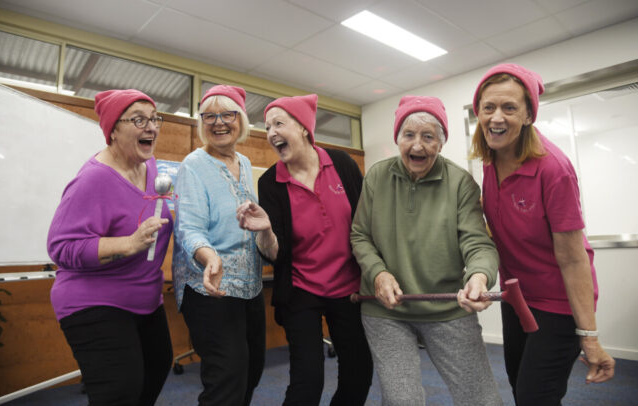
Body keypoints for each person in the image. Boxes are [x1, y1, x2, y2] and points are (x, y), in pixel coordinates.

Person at [470, 63, 615, 405]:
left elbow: (573, 257)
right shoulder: (490, 161)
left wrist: (589, 336)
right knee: (521, 389)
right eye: (488, 107)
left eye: (509, 108)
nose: (496, 117)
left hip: (557, 303)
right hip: (516, 297)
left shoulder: (553, 169)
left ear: (529, 115)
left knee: (536, 397)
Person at [350, 95, 503, 406]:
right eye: (409, 135)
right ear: (398, 138)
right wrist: (378, 274)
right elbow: (360, 235)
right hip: (386, 310)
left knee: (483, 399)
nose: (417, 146)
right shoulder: (377, 177)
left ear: (441, 143)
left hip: (446, 307)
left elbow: (478, 242)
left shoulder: (461, 183)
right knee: (402, 400)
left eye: (428, 137)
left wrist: (479, 276)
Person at [235, 94, 373, 406]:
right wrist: (267, 230)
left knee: (359, 372)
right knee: (308, 381)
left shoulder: (342, 165)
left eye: (279, 124)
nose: (271, 132)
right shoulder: (271, 182)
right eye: (267, 126)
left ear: (303, 129)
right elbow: (274, 253)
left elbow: (367, 222)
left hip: (349, 289)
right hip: (301, 290)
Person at [47, 89, 173, 406]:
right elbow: (61, 247)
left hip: (145, 299)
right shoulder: (93, 179)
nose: (152, 127)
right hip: (94, 301)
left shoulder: (152, 168)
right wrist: (128, 243)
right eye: (139, 119)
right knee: (120, 390)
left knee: (156, 369)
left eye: (154, 118)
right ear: (113, 129)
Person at [172, 85, 265, 406]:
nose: (219, 122)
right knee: (227, 379)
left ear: (241, 120)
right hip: (209, 288)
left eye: (228, 114)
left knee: (252, 371)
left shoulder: (246, 162)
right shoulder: (193, 165)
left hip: (250, 288)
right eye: (209, 116)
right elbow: (188, 227)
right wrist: (209, 256)